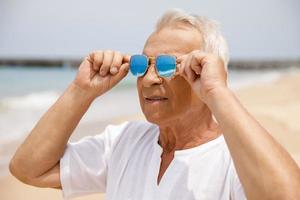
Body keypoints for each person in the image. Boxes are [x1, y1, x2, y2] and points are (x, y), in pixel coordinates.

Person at [9, 9, 300, 200]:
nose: (148, 79)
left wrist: (217, 92)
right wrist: (81, 91)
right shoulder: (123, 141)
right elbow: (28, 169)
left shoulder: (235, 158)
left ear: (205, 70)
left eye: (166, 65)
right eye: (142, 63)